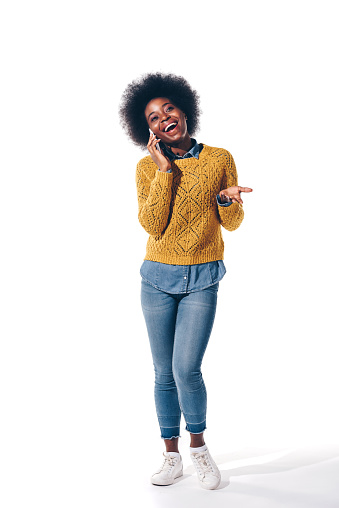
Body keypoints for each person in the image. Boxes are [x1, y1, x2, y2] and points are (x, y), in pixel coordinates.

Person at [119, 72, 252, 490]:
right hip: (156, 278)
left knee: (186, 369)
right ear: (148, 131)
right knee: (163, 372)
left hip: (202, 277)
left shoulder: (219, 158)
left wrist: (226, 201)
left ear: (184, 109)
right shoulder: (146, 167)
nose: (164, 119)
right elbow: (153, 226)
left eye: (168, 109)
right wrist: (164, 171)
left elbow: (231, 223)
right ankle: (170, 456)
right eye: (154, 118)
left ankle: (199, 449)